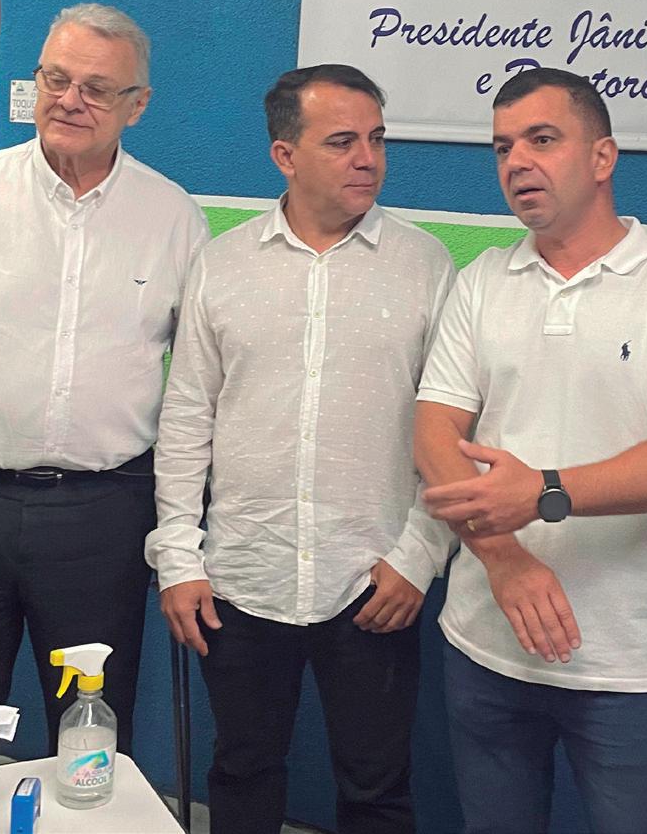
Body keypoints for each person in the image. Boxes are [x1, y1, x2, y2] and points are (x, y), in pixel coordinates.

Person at [0, 2, 208, 776]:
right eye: (56, 78)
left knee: (92, 738)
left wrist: (180, 531)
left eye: (96, 88)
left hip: (103, 515)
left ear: (137, 106)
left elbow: (192, 394)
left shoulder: (173, 218)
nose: (69, 100)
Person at [414, 68, 647, 834]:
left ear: (602, 157)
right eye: (503, 147)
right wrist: (503, 558)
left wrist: (544, 491)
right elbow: (433, 430)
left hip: (629, 660)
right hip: (486, 639)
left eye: (542, 139)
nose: (517, 161)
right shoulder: (482, 281)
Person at [147, 64, 455, 834]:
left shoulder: (426, 266)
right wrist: (178, 556)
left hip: (375, 580)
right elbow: (186, 418)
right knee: (242, 771)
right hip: (243, 577)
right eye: (343, 141)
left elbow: (456, 429)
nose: (368, 159)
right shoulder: (223, 264)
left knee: (378, 788)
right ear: (285, 155)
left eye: (377, 139)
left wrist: (420, 554)